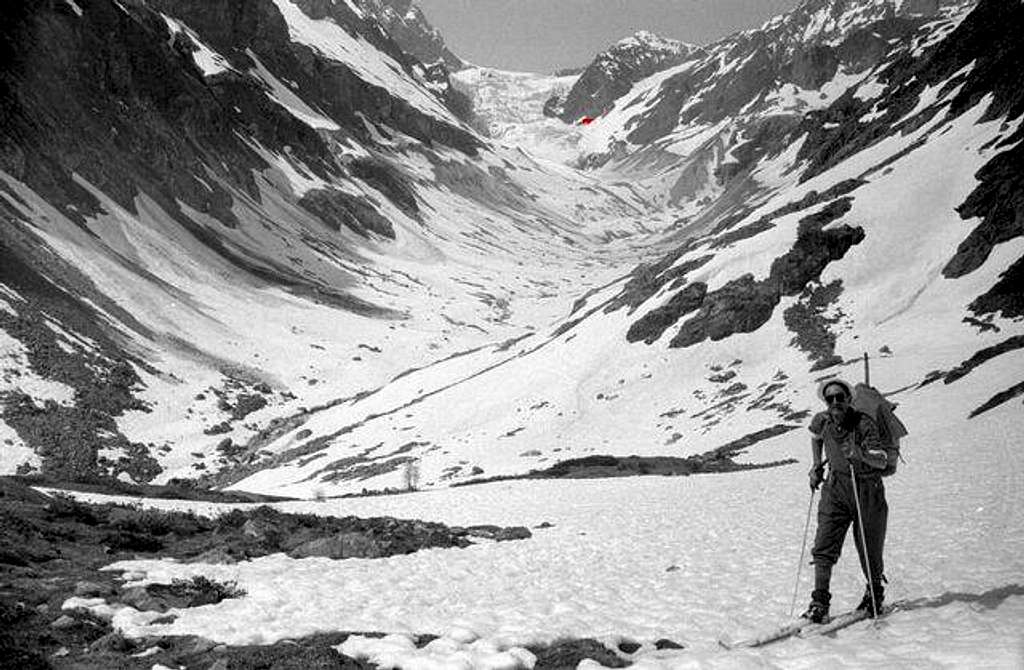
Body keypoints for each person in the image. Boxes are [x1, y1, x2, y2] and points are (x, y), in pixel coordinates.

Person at [803, 379, 890, 623]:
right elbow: (815, 437)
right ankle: (820, 602)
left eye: (839, 397)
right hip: (836, 488)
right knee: (824, 544)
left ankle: (875, 594)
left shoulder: (864, 423)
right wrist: (815, 465)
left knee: (869, 546)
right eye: (830, 398)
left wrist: (860, 454)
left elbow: (882, 460)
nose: (835, 402)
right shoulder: (823, 421)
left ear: (848, 399)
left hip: (866, 489)